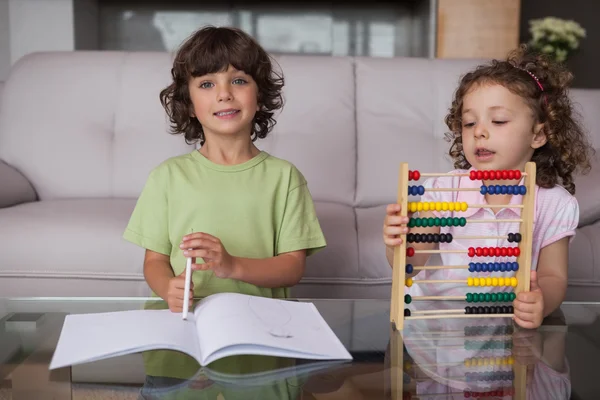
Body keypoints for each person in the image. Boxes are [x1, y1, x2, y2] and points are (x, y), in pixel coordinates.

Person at [122, 25, 327, 388]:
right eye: (206, 84)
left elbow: (293, 267)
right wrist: (167, 286)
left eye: (239, 80)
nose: (224, 94)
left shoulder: (285, 178)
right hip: (182, 337)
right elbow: (153, 261)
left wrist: (231, 265)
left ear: (260, 96)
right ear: (188, 102)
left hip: (261, 337)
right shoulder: (166, 177)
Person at [382, 45, 594, 329]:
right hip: (436, 331)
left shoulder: (554, 203)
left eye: (498, 121)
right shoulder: (444, 191)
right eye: (469, 123)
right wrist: (399, 242)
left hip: (507, 330)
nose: (479, 131)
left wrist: (541, 303)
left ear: (539, 134)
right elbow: (413, 260)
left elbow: (553, 276)